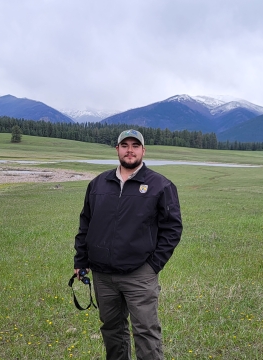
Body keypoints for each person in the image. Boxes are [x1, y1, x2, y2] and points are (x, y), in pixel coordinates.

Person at [73, 129, 183, 360]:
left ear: (143, 150)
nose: (129, 150)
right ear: (117, 149)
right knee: (112, 330)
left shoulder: (160, 185)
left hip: (139, 274)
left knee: (146, 332)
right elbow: (86, 223)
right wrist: (81, 260)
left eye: (135, 145)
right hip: (103, 275)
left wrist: (153, 265)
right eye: (125, 145)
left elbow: (172, 229)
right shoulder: (97, 184)